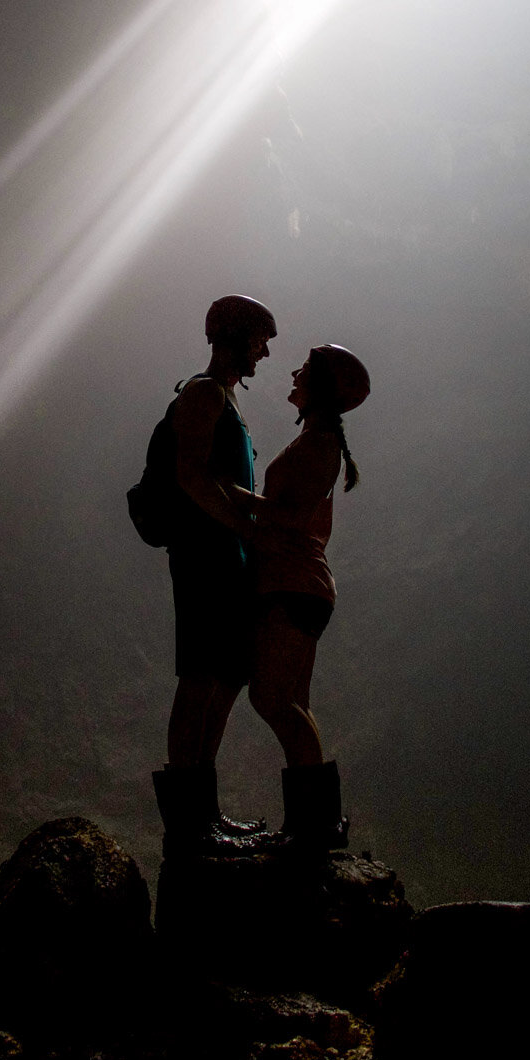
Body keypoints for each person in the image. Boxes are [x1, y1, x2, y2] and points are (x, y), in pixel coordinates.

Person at [228, 344, 370, 851]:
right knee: (294, 702)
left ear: (322, 390)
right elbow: (314, 525)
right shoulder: (321, 442)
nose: (294, 373)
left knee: (271, 697)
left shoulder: (318, 446)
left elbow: (288, 516)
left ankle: (316, 827)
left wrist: (230, 493)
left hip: (292, 583)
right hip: (304, 583)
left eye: (305, 371)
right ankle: (312, 827)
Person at [152, 294, 277, 857]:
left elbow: (220, 480)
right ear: (235, 337)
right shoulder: (203, 395)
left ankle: (205, 817)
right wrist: (245, 527)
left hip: (227, 557)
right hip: (205, 557)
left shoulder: (225, 400)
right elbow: (191, 477)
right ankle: (188, 826)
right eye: (259, 340)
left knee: (224, 677)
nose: (265, 351)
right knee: (202, 677)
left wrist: (267, 512)